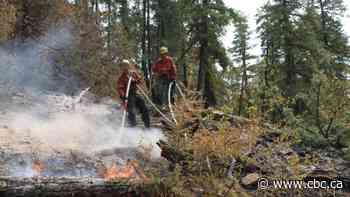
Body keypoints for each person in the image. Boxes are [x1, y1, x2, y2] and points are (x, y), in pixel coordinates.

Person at [117, 60, 150, 128]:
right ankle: (133, 128)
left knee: (144, 108)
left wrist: (136, 80)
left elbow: (140, 80)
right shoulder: (121, 78)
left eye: (126, 66)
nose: (124, 68)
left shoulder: (133, 74)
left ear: (128, 66)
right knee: (131, 111)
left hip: (135, 94)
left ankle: (147, 125)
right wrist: (123, 96)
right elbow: (120, 88)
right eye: (123, 66)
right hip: (128, 96)